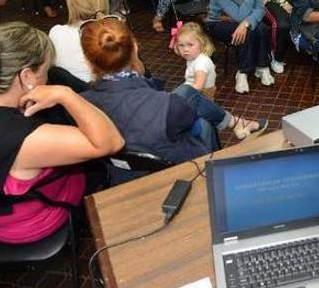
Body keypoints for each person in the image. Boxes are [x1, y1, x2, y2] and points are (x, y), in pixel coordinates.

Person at [0, 22, 125, 244]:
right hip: (24, 222)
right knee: (95, 166)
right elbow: (112, 141)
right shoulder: (26, 139)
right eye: (44, 72)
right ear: (26, 76)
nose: (47, 78)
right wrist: (66, 94)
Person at [80, 18, 265, 181]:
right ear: (135, 48)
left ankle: (234, 125)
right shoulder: (166, 105)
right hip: (177, 173)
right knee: (201, 119)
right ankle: (220, 165)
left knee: (189, 97)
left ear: (88, 62)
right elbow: (179, 118)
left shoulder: (81, 105)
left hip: (121, 177)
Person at [206, 0, 275, 93]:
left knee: (262, 28)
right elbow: (238, 16)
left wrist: (246, 23)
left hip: (243, 20)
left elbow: (260, 9)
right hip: (219, 22)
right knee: (249, 32)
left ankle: (262, 66)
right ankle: (242, 72)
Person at [49, 0, 108, 83]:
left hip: (69, 95)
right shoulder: (112, 33)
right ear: (103, 0)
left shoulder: (56, 32)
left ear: (71, 4)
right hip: (108, 94)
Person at [174, 21, 217, 98]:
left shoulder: (201, 63)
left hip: (199, 98)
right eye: (181, 45)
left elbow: (198, 86)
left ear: (201, 43)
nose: (185, 49)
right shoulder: (193, 58)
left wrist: (180, 94)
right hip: (193, 93)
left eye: (190, 45)